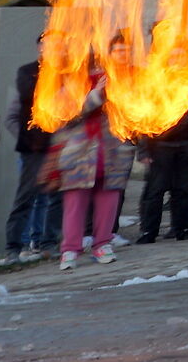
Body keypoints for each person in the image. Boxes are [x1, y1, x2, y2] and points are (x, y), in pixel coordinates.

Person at [46, 32, 135, 268]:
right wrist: (96, 95)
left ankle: (102, 244)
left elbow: (134, 111)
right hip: (79, 151)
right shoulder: (70, 82)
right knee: (75, 203)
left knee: (109, 200)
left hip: (113, 149)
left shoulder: (121, 79)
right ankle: (70, 249)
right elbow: (65, 113)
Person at [134, 80, 188, 244]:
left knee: (183, 189)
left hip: (187, 143)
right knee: (155, 190)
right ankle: (149, 231)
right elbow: (142, 117)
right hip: (160, 144)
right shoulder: (154, 79)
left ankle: (181, 229)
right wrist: (143, 150)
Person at [8, 34, 62, 262]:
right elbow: (31, 96)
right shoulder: (27, 71)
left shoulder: (67, 74)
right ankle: (13, 247)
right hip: (33, 146)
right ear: (39, 47)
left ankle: (49, 243)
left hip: (59, 144)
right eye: (47, 45)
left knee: (56, 196)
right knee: (26, 197)